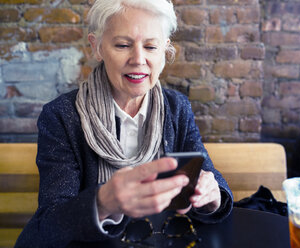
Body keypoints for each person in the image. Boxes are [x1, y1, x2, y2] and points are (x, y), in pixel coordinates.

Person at [15, 0, 233, 247]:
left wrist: (212, 195)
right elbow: (49, 224)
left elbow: (206, 173)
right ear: (96, 47)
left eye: (151, 46)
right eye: (122, 45)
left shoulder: (176, 108)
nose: (139, 59)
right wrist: (103, 202)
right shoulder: (62, 116)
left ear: (165, 50)